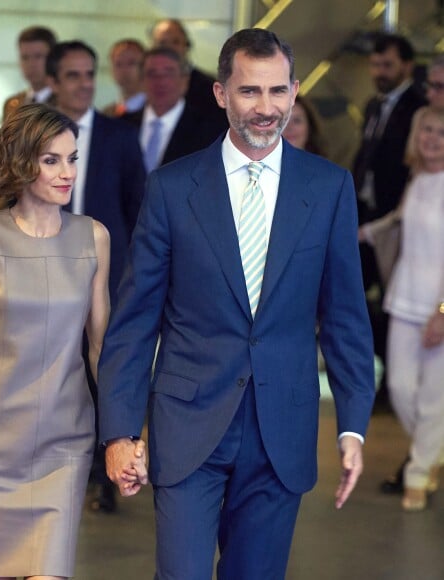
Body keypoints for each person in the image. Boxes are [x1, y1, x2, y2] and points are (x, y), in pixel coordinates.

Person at [99, 28, 375, 580]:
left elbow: (345, 315)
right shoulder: (172, 188)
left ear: (295, 91)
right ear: (221, 93)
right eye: (250, 92)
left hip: (282, 431)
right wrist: (120, 431)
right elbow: (134, 321)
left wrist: (353, 426)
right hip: (187, 423)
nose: (266, 108)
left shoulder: (328, 188)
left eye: (277, 92)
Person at [0, 104, 126, 579]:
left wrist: (124, 432)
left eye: (73, 159)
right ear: (21, 161)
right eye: (52, 160)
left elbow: (101, 349)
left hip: (64, 442)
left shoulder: (93, 237)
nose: (67, 172)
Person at [46, 40, 145, 512]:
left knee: (101, 360)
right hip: (44, 265)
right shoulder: (31, 130)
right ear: (53, 81)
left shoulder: (119, 135)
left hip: (106, 268)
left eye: (90, 74)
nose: (85, 84)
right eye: (72, 75)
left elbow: (137, 206)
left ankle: (103, 467)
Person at [360, 106, 444, 511]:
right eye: (426, 129)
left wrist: (443, 312)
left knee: (433, 398)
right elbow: (400, 220)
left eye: (442, 132)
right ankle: (434, 451)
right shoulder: (418, 180)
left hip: (438, 308)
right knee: (400, 390)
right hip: (404, 299)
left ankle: (418, 475)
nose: (433, 138)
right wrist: (363, 232)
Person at [352, 33, 426, 414]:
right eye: (375, 65)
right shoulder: (373, 105)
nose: (379, 72)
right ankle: (372, 373)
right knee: (353, 297)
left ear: (407, 66)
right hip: (365, 215)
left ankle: (393, 378)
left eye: (387, 65)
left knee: (392, 298)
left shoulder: (418, 107)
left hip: (395, 220)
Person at [121, 47, 227, 173]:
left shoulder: (211, 131)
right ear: (142, 80)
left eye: (169, 73)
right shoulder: (122, 126)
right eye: (152, 73)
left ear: (185, 80)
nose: (160, 82)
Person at [150, 18, 226, 123]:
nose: (169, 48)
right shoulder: (143, 84)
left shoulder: (208, 87)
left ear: (187, 46)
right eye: (162, 43)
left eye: (175, 42)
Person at [2, 26, 58, 121]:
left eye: (38, 56)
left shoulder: (65, 103)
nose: (31, 64)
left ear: (53, 58)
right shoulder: (12, 104)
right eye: (25, 57)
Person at [101, 39, 146, 117]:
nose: (124, 70)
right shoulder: (106, 114)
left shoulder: (155, 110)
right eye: (118, 64)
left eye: (131, 63)